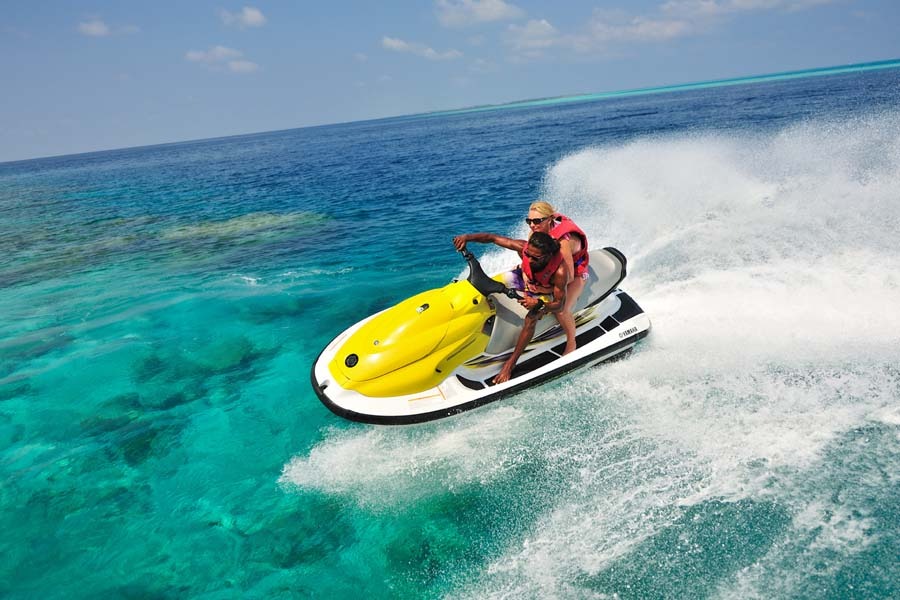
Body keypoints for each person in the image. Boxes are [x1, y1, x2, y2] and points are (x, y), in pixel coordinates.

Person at [452, 231, 568, 384]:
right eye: (528, 254)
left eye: (535, 258)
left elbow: (560, 305)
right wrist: (467, 237)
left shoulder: (560, 271)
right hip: (525, 279)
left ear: (547, 256)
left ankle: (510, 363)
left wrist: (539, 304)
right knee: (485, 288)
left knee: (531, 318)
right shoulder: (523, 248)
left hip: (543, 292)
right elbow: (492, 238)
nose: (529, 259)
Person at [524, 201, 589, 355]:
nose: (532, 225)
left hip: (576, 273)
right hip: (555, 269)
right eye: (529, 221)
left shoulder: (562, 242)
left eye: (537, 221)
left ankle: (572, 342)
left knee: (561, 311)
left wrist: (544, 289)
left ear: (549, 219)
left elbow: (570, 276)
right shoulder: (535, 233)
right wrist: (526, 278)